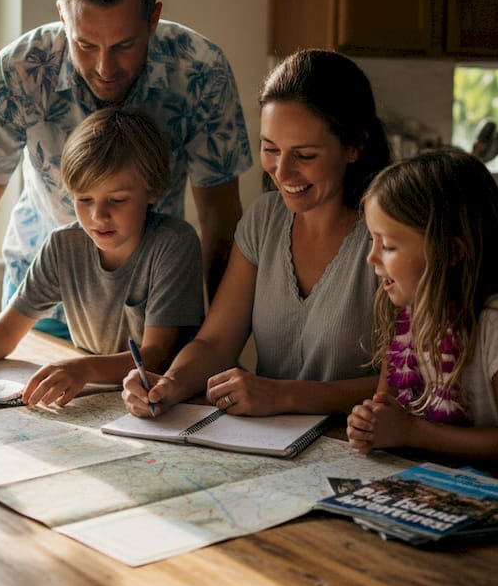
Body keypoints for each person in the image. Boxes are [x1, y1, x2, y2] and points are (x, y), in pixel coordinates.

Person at [0, 0, 250, 374]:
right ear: (62, 17)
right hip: (43, 293)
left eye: (124, 45)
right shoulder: (21, 71)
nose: (106, 68)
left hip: (152, 304)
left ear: (153, 19)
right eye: (86, 44)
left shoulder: (200, 71)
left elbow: (221, 215)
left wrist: (218, 344)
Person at [121, 49, 391, 418]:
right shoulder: (264, 219)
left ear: (356, 146)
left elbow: (412, 383)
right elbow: (215, 343)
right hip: (271, 441)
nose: (282, 171)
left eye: (305, 155)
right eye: (270, 149)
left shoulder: (390, 236)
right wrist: (171, 382)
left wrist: (285, 396)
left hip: (357, 445)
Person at [0, 107, 204, 409]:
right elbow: (5, 331)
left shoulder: (174, 245)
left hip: (173, 402)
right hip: (107, 397)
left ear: (152, 190)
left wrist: (83, 369)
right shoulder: (64, 246)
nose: (98, 216)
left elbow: (156, 355)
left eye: (117, 200)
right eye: (84, 199)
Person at [345, 148, 498, 478]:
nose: (372, 258)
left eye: (389, 245)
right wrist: (370, 425)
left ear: (451, 251)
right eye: (372, 240)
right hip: (443, 487)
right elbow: (389, 406)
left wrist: (409, 432)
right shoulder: (409, 315)